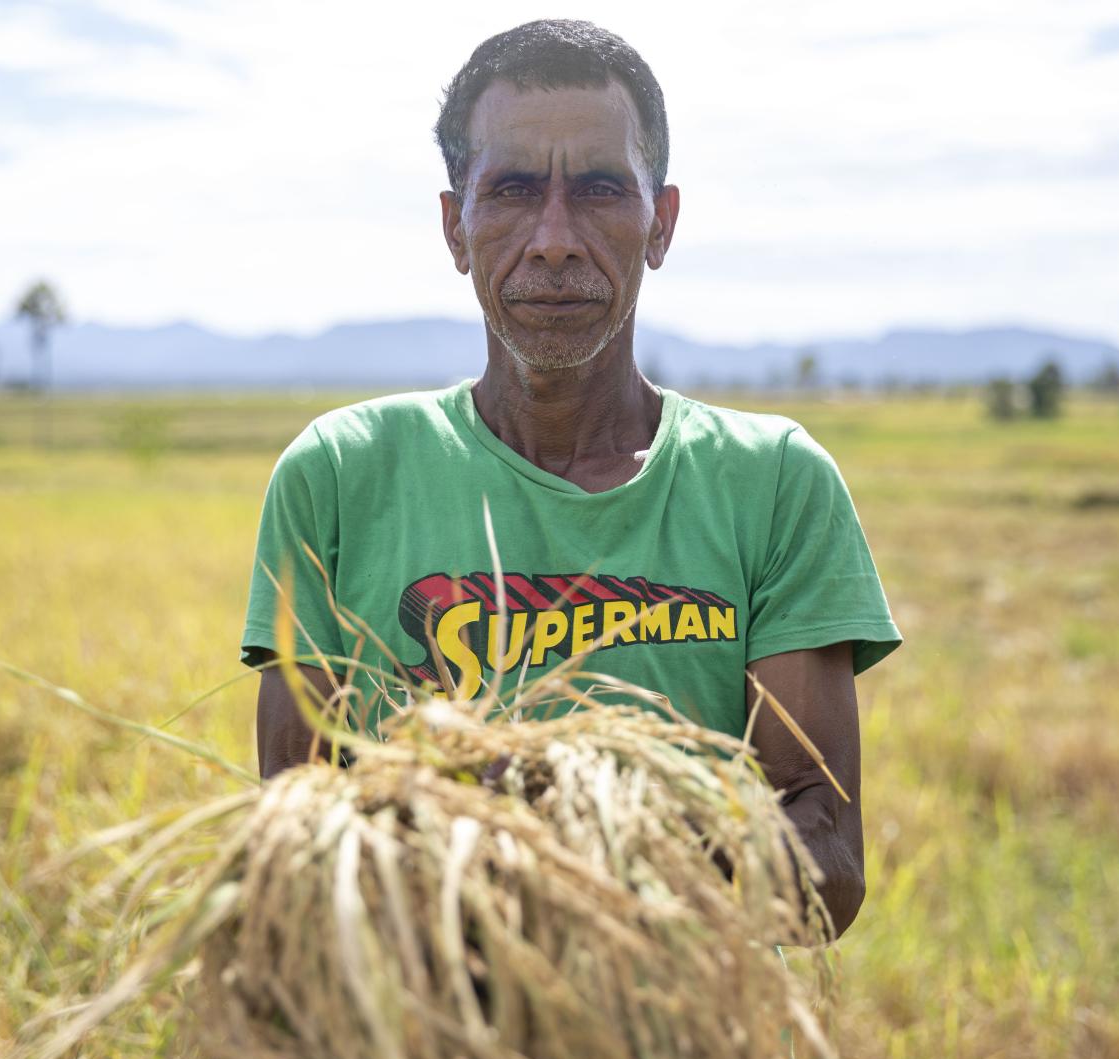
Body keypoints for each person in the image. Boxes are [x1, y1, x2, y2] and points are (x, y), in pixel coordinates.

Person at [241, 19, 900, 937]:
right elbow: (292, 839)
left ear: (659, 224)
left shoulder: (774, 482)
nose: (554, 239)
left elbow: (827, 859)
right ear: (455, 226)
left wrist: (586, 856)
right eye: (512, 190)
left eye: (597, 190)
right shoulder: (342, 475)